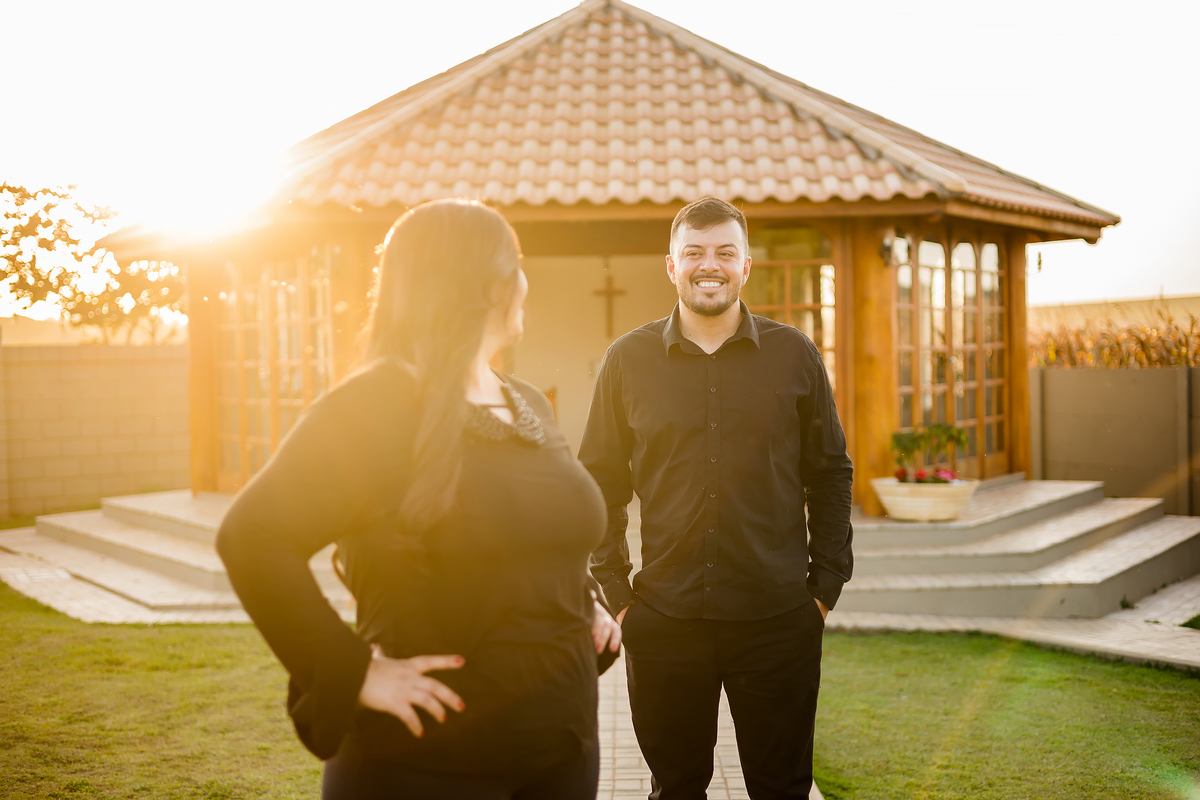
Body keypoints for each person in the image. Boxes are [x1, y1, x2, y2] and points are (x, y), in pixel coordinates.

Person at [216, 198, 622, 800]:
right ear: (484, 283)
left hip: (562, 750)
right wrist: (355, 674)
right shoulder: (373, 406)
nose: (525, 282)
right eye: (516, 264)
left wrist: (580, 598)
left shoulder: (527, 401)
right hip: (426, 763)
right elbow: (252, 538)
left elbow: (528, 527)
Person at [579, 196, 854, 800]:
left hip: (780, 619)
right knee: (675, 790)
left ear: (746, 265)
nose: (711, 265)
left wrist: (824, 589)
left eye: (725, 253)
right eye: (695, 253)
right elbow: (598, 477)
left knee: (781, 789)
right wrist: (620, 596)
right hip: (666, 621)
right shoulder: (627, 361)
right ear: (671, 266)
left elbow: (831, 473)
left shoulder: (795, 355)